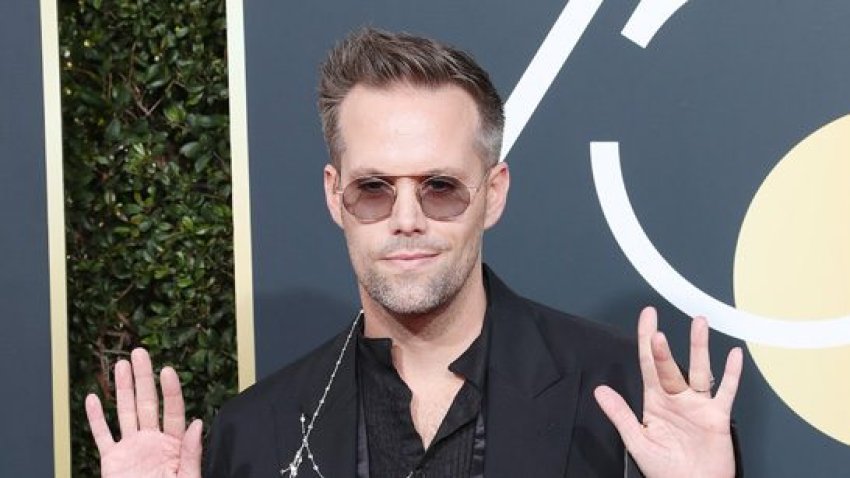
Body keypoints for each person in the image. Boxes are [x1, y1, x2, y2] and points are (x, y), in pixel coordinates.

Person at [85, 28, 743, 478]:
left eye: (440, 188)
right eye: (374, 189)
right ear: (334, 194)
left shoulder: (624, 400)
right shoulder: (256, 435)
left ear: (493, 193)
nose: (406, 220)